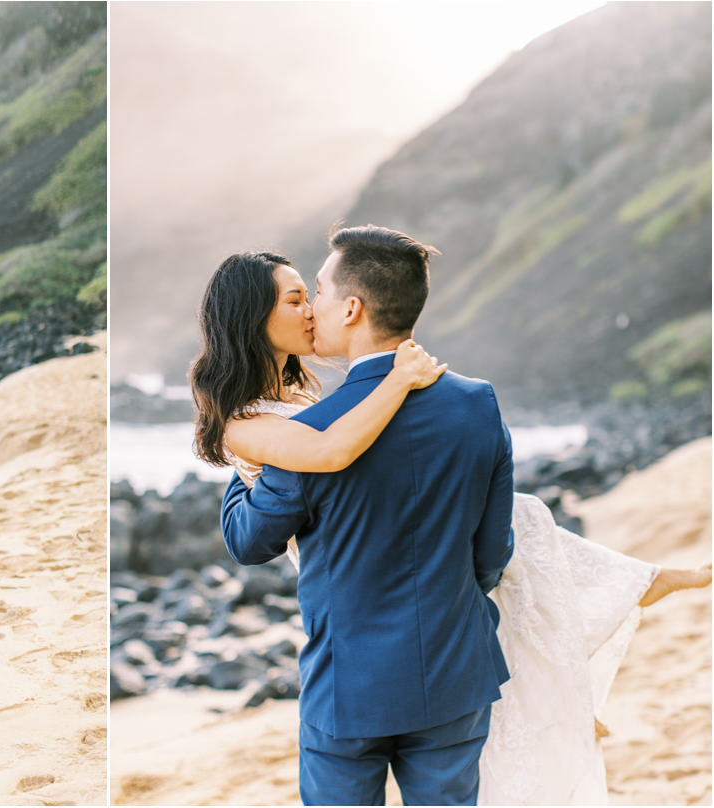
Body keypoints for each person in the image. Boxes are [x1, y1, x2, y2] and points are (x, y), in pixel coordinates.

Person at [194, 232, 710, 805]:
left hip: (349, 682)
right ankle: (633, 584)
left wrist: (241, 472)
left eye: (312, 292)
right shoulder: (475, 403)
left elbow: (254, 539)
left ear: (351, 307)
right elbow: (493, 552)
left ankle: (634, 583)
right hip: (454, 671)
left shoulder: (305, 431)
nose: (310, 309)